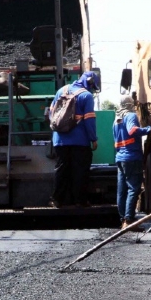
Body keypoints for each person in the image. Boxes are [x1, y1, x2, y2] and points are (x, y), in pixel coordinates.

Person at [51, 71, 99, 207]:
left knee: (61, 169)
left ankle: (57, 199)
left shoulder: (61, 90)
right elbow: (89, 120)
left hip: (59, 139)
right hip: (80, 141)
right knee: (80, 170)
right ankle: (79, 200)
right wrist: (93, 139)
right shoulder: (86, 96)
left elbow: (51, 113)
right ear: (90, 82)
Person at [112, 94, 150, 227]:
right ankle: (129, 220)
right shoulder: (131, 116)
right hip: (132, 157)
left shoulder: (117, 119)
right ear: (130, 104)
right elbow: (132, 130)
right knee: (133, 188)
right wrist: (148, 130)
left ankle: (123, 219)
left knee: (122, 190)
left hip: (120, 158)